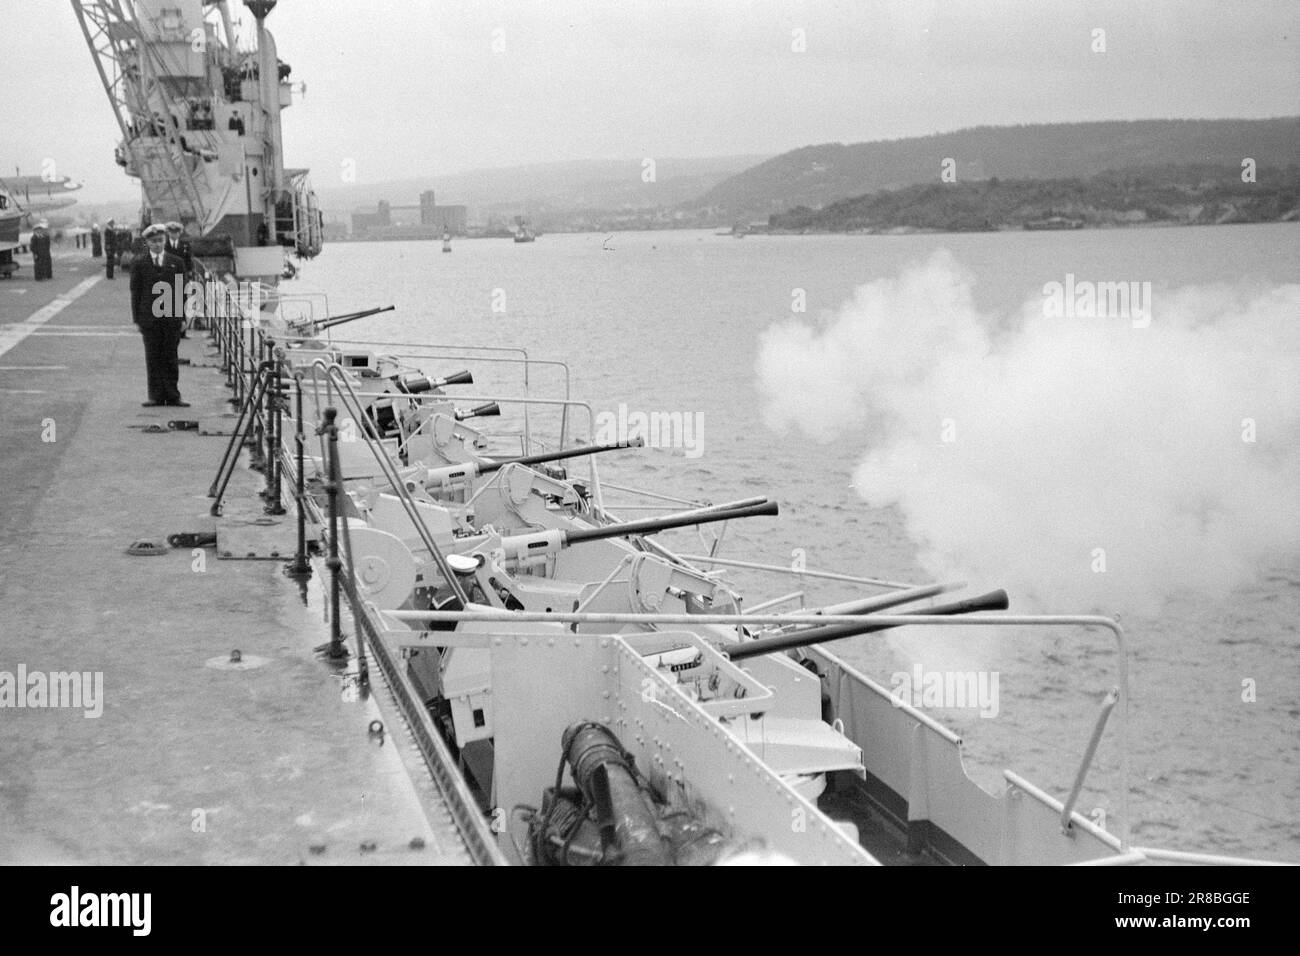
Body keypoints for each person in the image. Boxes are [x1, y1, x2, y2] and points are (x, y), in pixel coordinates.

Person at [131, 224, 189, 407]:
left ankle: (173, 395)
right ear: (147, 243)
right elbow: (136, 292)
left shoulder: (177, 262)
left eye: (160, 241)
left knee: (170, 357)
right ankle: (155, 395)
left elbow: (182, 292)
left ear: (165, 241)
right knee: (153, 356)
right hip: (150, 318)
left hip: (171, 317)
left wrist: (183, 318)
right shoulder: (140, 263)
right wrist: (138, 319)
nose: (157, 244)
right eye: (153, 241)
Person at [165, 222, 194, 336]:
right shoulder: (165, 245)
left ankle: (182, 332)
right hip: (167, 278)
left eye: (176, 233)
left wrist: (190, 275)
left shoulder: (184, 245)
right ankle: (169, 331)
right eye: (172, 233)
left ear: (179, 233)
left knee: (182, 304)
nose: (174, 235)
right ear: (168, 233)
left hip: (181, 278)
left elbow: (189, 261)